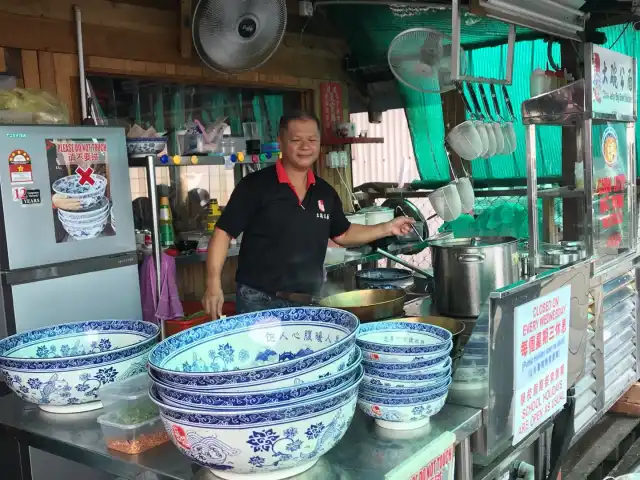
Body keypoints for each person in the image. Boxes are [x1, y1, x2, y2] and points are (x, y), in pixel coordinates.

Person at [202, 111, 414, 318]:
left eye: (312, 139)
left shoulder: (325, 192)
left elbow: (344, 233)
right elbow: (223, 233)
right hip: (259, 301)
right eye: (296, 140)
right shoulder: (255, 185)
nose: (306, 147)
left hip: (309, 300)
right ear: (281, 142)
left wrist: (388, 227)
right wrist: (213, 284)